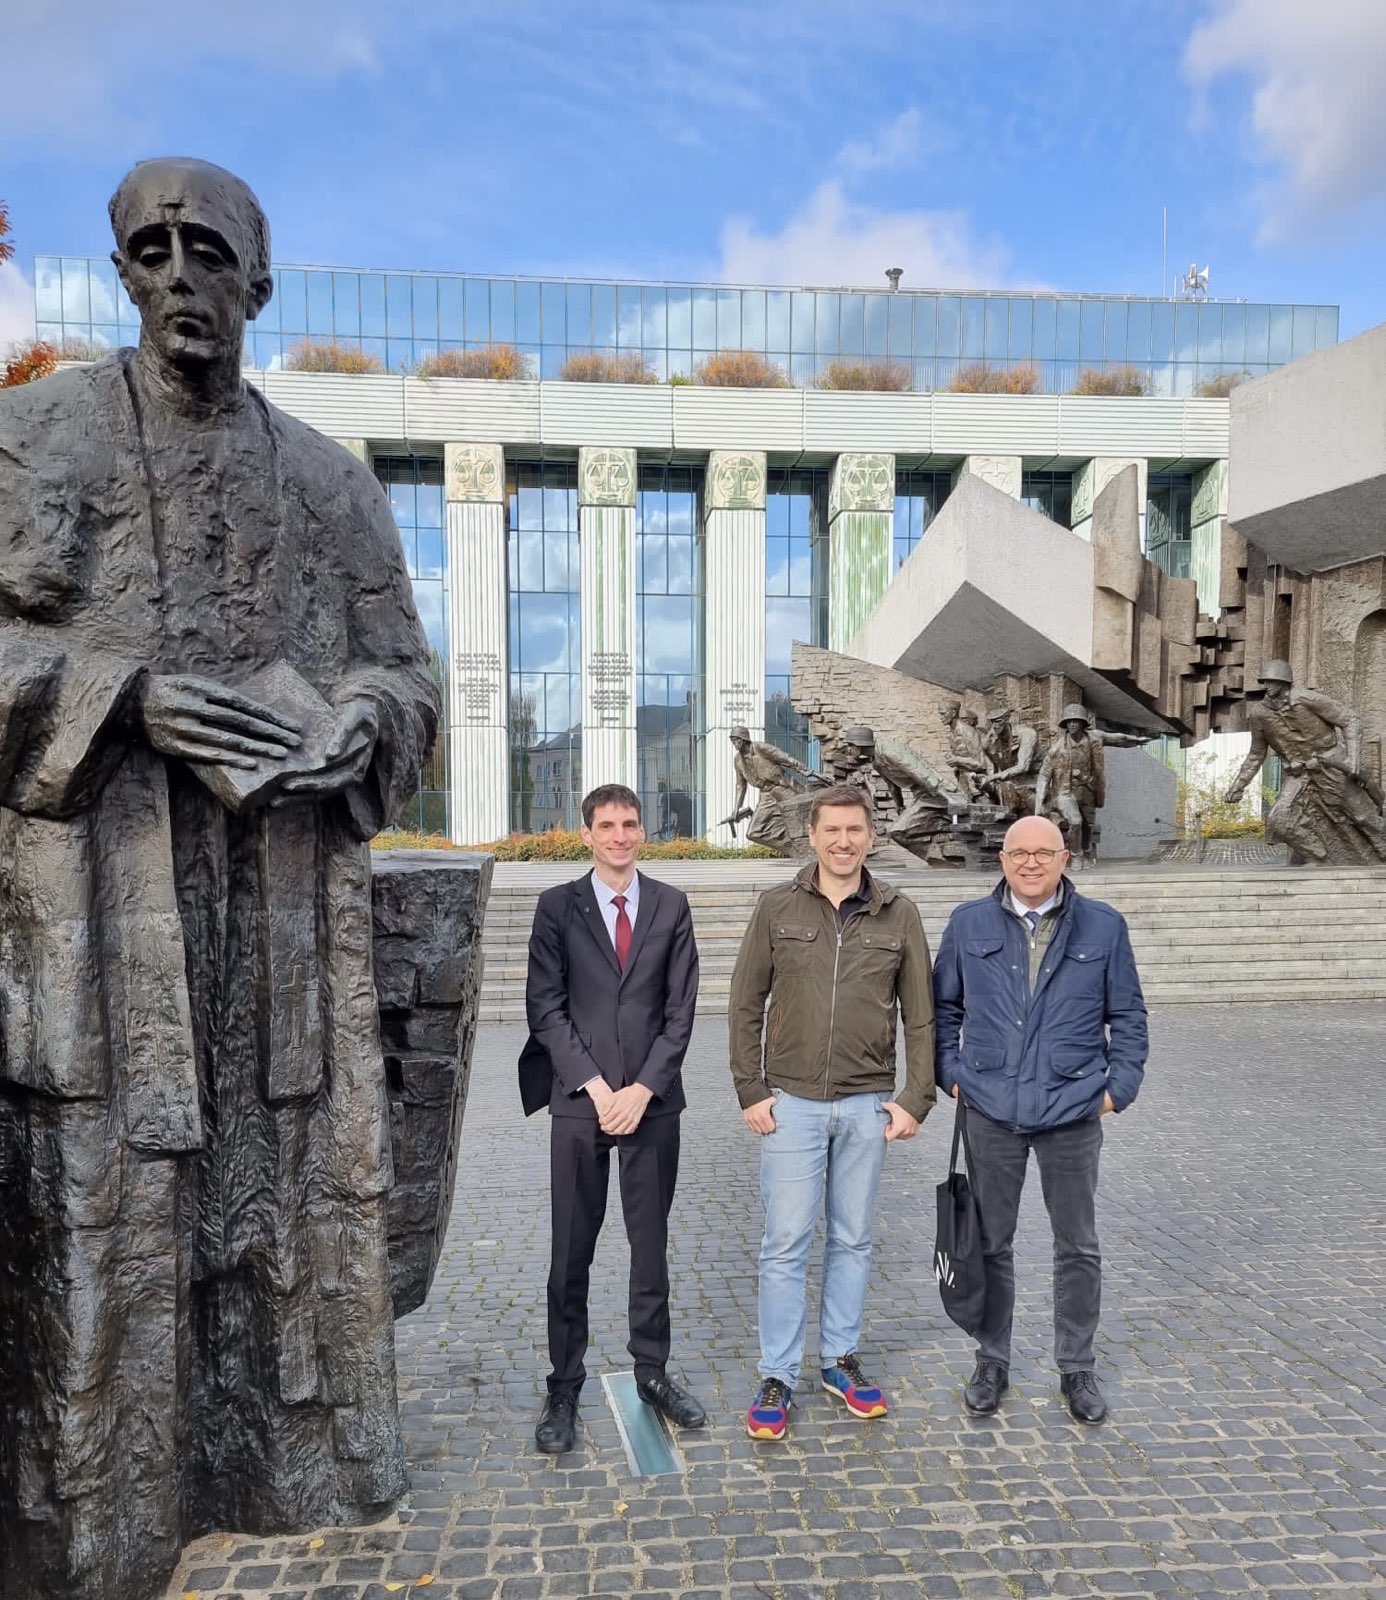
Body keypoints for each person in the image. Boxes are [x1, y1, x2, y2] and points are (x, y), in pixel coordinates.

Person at [0, 159, 440, 1596]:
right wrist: (125, 699)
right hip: (111, 907)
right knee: (108, 1218)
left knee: (290, 1198)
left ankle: (290, 1467)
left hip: (282, 911)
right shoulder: (37, 436)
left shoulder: (329, 482)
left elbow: (405, 674)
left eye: (209, 252)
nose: (180, 276)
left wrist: (367, 719)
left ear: (261, 279)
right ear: (121, 271)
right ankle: (114, 1518)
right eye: (151, 250)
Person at [728, 784, 935, 1441]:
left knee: (852, 1238)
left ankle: (840, 1360)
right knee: (785, 1244)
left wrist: (915, 1096)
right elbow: (744, 1002)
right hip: (790, 1104)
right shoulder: (777, 906)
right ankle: (777, 1374)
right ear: (812, 837)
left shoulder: (899, 914)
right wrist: (751, 1089)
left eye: (855, 830)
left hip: (867, 1103)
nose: (843, 842)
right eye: (832, 831)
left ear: (870, 836)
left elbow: (921, 1015)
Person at [932, 814, 1148, 1425]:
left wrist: (1117, 1091)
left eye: (1043, 853)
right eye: (1019, 853)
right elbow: (943, 1006)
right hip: (991, 1108)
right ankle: (992, 1358)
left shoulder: (1103, 926)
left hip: (1073, 1108)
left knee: (1077, 1243)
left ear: (1065, 857)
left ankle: (1076, 1365)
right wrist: (951, 1072)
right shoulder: (968, 923)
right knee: (990, 1243)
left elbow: (1129, 1016)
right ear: (1002, 858)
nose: (1030, 863)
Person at [519, 783, 704, 1454]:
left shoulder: (671, 906)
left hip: (653, 1106)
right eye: (607, 824)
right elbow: (546, 1007)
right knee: (571, 1249)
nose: (620, 835)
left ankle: (651, 1372)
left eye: (630, 823)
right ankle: (563, 1384)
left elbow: (681, 1011)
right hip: (579, 1103)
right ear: (587, 832)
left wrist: (644, 1089)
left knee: (649, 1245)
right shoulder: (555, 908)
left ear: (642, 832)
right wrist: (599, 1088)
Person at [1224, 660, 1386, 863]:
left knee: (1363, 816)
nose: (1266, 685)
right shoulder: (1259, 715)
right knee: (1279, 820)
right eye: (1264, 681)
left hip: (1330, 765)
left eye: (1271, 681)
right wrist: (1239, 785)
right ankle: (1320, 858)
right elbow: (1256, 754)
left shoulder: (1306, 698)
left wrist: (1352, 757)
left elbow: (1349, 719)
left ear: (1283, 681)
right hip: (1299, 774)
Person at [727, 724, 819, 851]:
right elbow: (740, 785)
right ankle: (795, 847)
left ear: (743, 739)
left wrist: (804, 770)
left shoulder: (760, 748)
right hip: (766, 795)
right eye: (732, 740)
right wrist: (736, 810)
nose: (734, 743)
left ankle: (810, 844)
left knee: (801, 817)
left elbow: (785, 758)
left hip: (783, 789)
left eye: (735, 740)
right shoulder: (738, 760)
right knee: (753, 833)